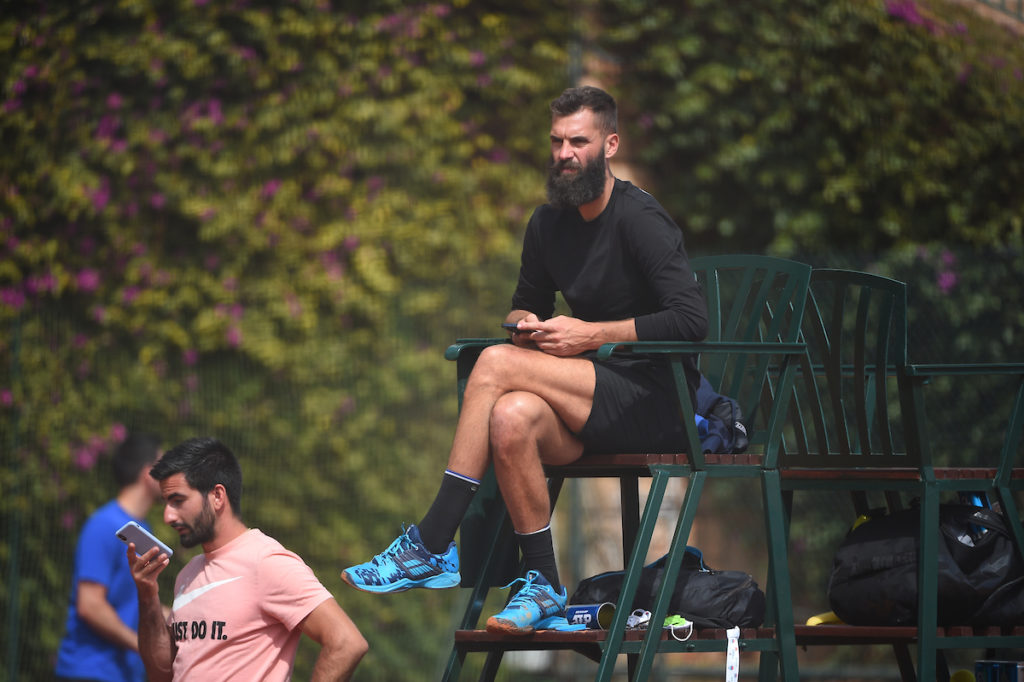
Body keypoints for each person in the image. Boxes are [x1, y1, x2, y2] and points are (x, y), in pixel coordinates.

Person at [342, 85, 708, 634]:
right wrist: (527, 328)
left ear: (609, 144)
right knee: (510, 416)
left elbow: (692, 321)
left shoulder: (640, 219)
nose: (565, 153)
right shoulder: (547, 224)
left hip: (658, 399)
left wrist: (590, 333)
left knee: (492, 366)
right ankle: (542, 584)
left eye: (578, 141)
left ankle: (432, 542)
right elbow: (524, 306)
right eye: (557, 141)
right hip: (591, 399)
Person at [129, 437, 367, 681]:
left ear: (217, 496)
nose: (168, 516)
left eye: (178, 501)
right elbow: (161, 673)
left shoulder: (267, 562)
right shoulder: (187, 574)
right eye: (166, 503)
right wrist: (148, 595)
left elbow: (346, 642)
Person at [56, 432, 164, 682]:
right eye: (163, 465)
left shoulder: (143, 529)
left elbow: (140, 603)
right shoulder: (103, 525)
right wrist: (141, 646)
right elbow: (90, 605)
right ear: (148, 473)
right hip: (89, 672)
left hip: (123, 675)